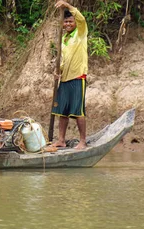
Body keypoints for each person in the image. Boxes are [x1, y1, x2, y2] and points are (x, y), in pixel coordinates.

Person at [51, 0, 88, 150]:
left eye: (70, 21)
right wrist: (57, 71)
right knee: (63, 111)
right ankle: (61, 140)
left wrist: (67, 6)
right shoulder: (64, 39)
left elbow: (81, 18)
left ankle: (83, 141)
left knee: (78, 111)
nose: (67, 24)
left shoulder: (80, 33)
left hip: (78, 77)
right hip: (65, 79)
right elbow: (63, 59)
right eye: (65, 21)